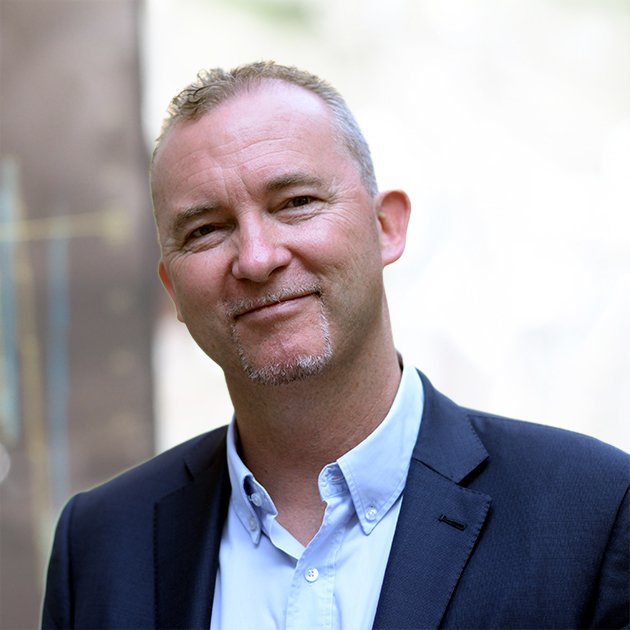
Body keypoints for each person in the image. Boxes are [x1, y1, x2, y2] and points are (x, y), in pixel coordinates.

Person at [42, 61, 628, 629]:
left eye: (296, 203)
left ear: (387, 227)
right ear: (172, 288)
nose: (257, 258)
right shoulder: (100, 545)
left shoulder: (592, 512)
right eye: (206, 230)